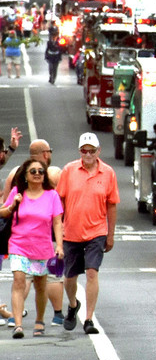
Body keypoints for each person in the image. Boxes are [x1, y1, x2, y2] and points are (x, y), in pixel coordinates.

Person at [57, 132, 119, 335]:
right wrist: (58, 233)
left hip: (96, 230)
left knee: (92, 272)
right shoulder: (69, 170)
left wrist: (110, 234)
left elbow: (111, 205)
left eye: (92, 151)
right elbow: (60, 202)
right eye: (84, 151)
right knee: (70, 277)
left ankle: (89, 318)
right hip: (72, 231)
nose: (88, 154)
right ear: (79, 152)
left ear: (98, 151)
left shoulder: (108, 173)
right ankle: (73, 305)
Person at [3, 139, 65, 326]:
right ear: (46, 154)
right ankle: (55, 314)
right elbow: (6, 206)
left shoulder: (13, 173)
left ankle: (29, 317)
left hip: (43, 240)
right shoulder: (55, 174)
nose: (38, 174)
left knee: (34, 280)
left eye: (40, 172)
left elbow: (4, 199)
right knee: (27, 278)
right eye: (34, 172)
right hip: (25, 240)